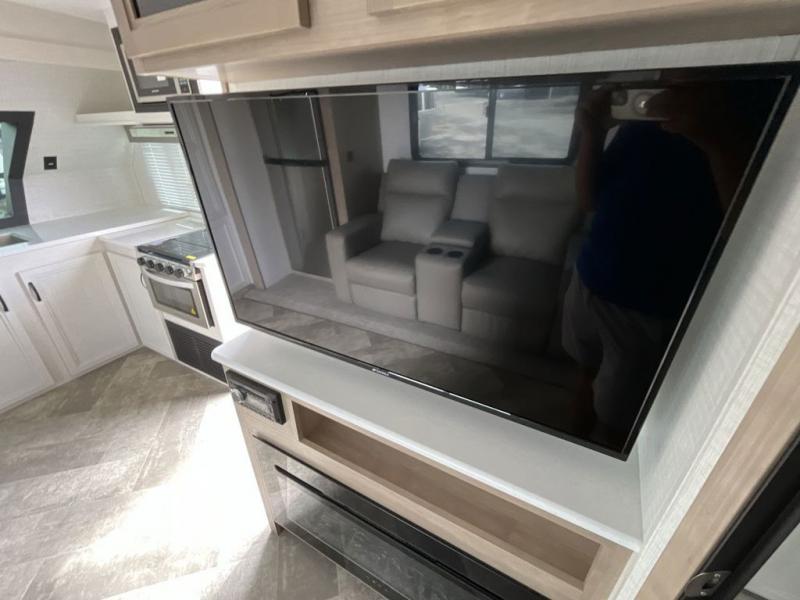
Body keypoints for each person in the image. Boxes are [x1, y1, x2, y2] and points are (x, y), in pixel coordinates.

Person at [562, 81, 765, 440]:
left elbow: (753, 235)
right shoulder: (640, 125)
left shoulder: (752, 113)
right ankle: (570, 445)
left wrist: (716, 141)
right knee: (584, 376)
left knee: (617, 420)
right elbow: (589, 200)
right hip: (590, 277)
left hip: (649, 305)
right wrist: (592, 133)